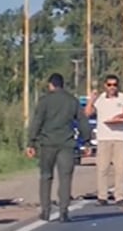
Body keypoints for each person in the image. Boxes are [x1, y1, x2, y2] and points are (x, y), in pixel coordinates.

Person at [26, 73, 92, 222]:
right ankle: (63, 211)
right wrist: (87, 141)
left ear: (51, 85)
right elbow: (82, 121)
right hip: (66, 144)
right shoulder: (72, 101)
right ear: (62, 85)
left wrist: (31, 142)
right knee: (65, 178)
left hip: (47, 144)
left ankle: (46, 211)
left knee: (45, 176)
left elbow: (37, 122)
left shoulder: (44, 101)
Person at [85, 74, 123, 205]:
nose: (112, 87)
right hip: (104, 137)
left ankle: (119, 196)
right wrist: (91, 100)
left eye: (114, 85)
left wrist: (118, 117)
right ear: (105, 86)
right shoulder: (100, 99)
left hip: (120, 137)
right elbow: (87, 113)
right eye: (109, 85)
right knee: (102, 168)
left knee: (120, 168)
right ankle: (102, 196)